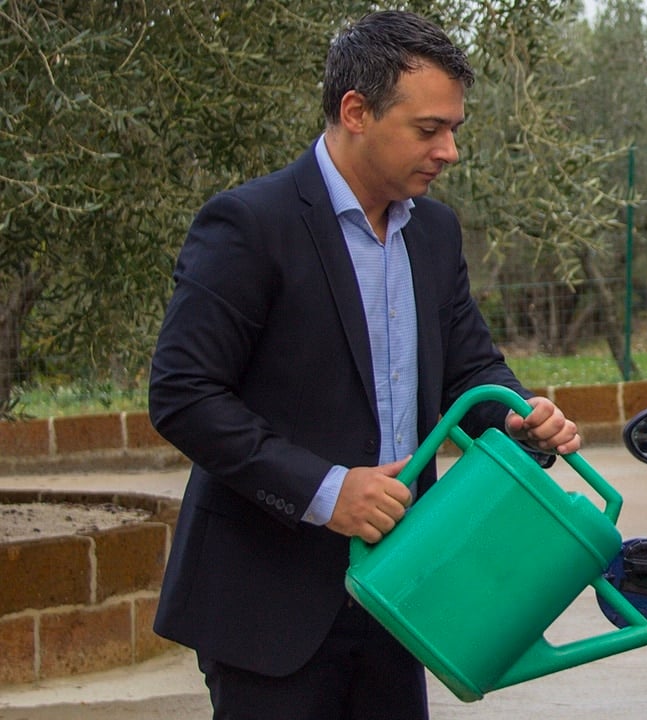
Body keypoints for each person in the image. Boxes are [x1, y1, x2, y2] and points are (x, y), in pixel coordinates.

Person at [147, 10, 580, 718]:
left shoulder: (434, 232)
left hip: (401, 591)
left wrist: (518, 415)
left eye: (455, 130)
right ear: (355, 111)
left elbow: (471, 369)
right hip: (268, 609)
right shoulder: (249, 225)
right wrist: (326, 491)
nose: (449, 151)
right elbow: (183, 394)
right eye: (429, 129)